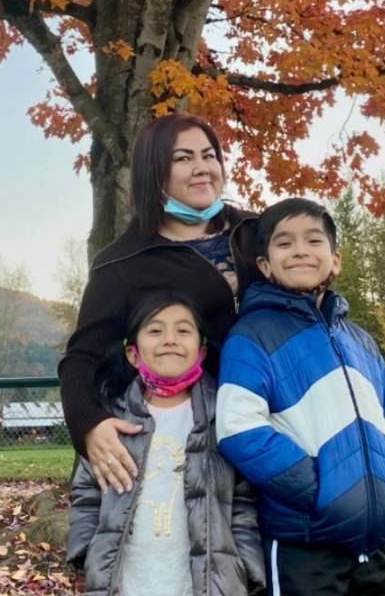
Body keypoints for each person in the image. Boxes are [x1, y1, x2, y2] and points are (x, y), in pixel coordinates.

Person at [216, 198, 385, 596]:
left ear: (335, 259)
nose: (301, 250)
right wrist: (322, 491)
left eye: (313, 240)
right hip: (303, 543)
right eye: (284, 243)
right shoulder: (251, 336)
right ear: (265, 265)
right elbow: (239, 429)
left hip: (374, 543)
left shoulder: (359, 340)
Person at [59, 113, 263, 495]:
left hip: (278, 424)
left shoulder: (259, 233)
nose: (202, 169)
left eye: (209, 156)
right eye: (183, 158)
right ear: (155, 172)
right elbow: (82, 359)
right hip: (198, 445)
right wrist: (89, 425)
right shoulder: (122, 263)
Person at [67, 291, 265, 596]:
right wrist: (85, 553)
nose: (170, 339)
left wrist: (244, 568)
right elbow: (86, 493)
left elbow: (243, 501)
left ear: (201, 350)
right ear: (132, 353)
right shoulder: (110, 420)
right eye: (155, 330)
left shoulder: (223, 417)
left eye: (183, 330)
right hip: (125, 584)